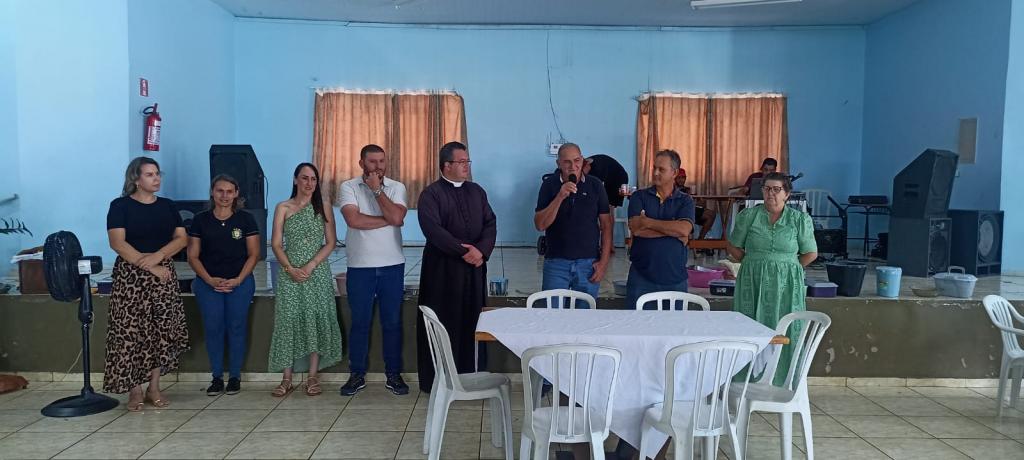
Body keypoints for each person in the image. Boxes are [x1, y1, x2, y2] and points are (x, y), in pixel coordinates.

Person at [104, 156, 189, 411]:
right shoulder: (120, 206)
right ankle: (135, 389)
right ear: (136, 179)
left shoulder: (167, 206)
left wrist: (159, 256)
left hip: (163, 274)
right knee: (131, 332)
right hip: (131, 276)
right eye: (150, 174)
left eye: (158, 173)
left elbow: (181, 239)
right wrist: (151, 265)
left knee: (159, 331)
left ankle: (154, 386)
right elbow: (117, 242)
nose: (156, 178)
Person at [416, 141, 497, 393]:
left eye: (467, 161)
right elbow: (433, 230)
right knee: (444, 323)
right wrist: (465, 252)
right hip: (443, 272)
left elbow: (490, 223)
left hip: (474, 270)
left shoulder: (477, 191)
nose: (466, 166)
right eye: (461, 162)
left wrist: (481, 251)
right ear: (446, 165)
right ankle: (440, 382)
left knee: (473, 323)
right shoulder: (431, 194)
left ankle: (472, 377)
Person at [727, 172, 818, 383]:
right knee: (750, 325)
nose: (771, 193)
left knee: (785, 327)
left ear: (787, 194)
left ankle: (783, 379)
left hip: (787, 284)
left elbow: (810, 253)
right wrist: (752, 263)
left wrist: (789, 267)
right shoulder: (748, 216)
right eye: (767, 189)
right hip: (752, 280)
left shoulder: (799, 219)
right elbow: (733, 246)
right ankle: (746, 380)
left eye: (777, 189)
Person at [337, 144, 410, 396]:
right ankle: (357, 374)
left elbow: (398, 218)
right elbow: (353, 220)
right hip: (360, 267)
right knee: (360, 322)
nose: (378, 166)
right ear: (362, 164)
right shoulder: (348, 187)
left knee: (392, 322)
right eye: (372, 162)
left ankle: (394, 374)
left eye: (381, 161)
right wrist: (388, 219)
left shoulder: (397, 187)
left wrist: (377, 190)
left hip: (392, 265)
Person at [268, 163, 343, 398]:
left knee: (315, 318)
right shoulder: (283, 207)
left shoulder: (323, 207)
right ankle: (286, 378)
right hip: (289, 273)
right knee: (288, 320)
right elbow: (276, 244)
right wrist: (289, 268)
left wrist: (311, 265)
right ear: (295, 180)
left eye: (313, 179)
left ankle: (312, 376)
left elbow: (331, 242)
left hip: (316, 272)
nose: (309, 183)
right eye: (304, 178)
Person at [187, 175, 260, 396]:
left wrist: (238, 279)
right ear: (212, 192)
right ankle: (217, 377)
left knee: (236, 327)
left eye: (229, 191)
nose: (225, 196)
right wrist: (209, 279)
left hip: (240, 282)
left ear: (236, 193)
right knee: (213, 328)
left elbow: (254, 254)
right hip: (208, 284)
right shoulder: (200, 220)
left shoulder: (246, 220)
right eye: (220, 191)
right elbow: (193, 256)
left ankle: (235, 377)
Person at [534, 143, 612, 301]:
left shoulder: (595, 185)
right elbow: (540, 224)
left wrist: (603, 263)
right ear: (558, 164)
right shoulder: (549, 185)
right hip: (556, 263)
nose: (573, 166)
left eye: (577, 160)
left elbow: (606, 226)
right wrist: (560, 196)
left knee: (585, 314)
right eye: (567, 162)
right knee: (552, 313)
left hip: (588, 264)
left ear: (582, 160)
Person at [626, 150, 695, 310]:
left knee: (674, 325)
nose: (656, 173)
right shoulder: (639, 197)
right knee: (636, 324)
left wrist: (648, 222)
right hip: (641, 277)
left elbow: (684, 229)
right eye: (654, 168)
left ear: (674, 173)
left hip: (675, 279)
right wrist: (673, 231)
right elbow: (637, 229)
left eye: (661, 169)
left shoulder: (685, 201)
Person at [583, 154, 629, 249]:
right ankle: (606, 244)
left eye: (583, 172)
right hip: (609, 179)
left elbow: (599, 191)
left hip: (618, 179)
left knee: (608, 209)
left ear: (587, 165)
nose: (582, 175)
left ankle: (609, 245)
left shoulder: (598, 168)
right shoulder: (587, 166)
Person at [674, 167, 717, 240]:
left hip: (691, 210)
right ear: (675, 178)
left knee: (712, 214)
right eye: (679, 178)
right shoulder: (673, 189)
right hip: (682, 213)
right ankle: (699, 240)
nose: (681, 180)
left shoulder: (687, 189)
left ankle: (700, 239)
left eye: (683, 177)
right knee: (709, 215)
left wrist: (699, 200)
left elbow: (698, 203)